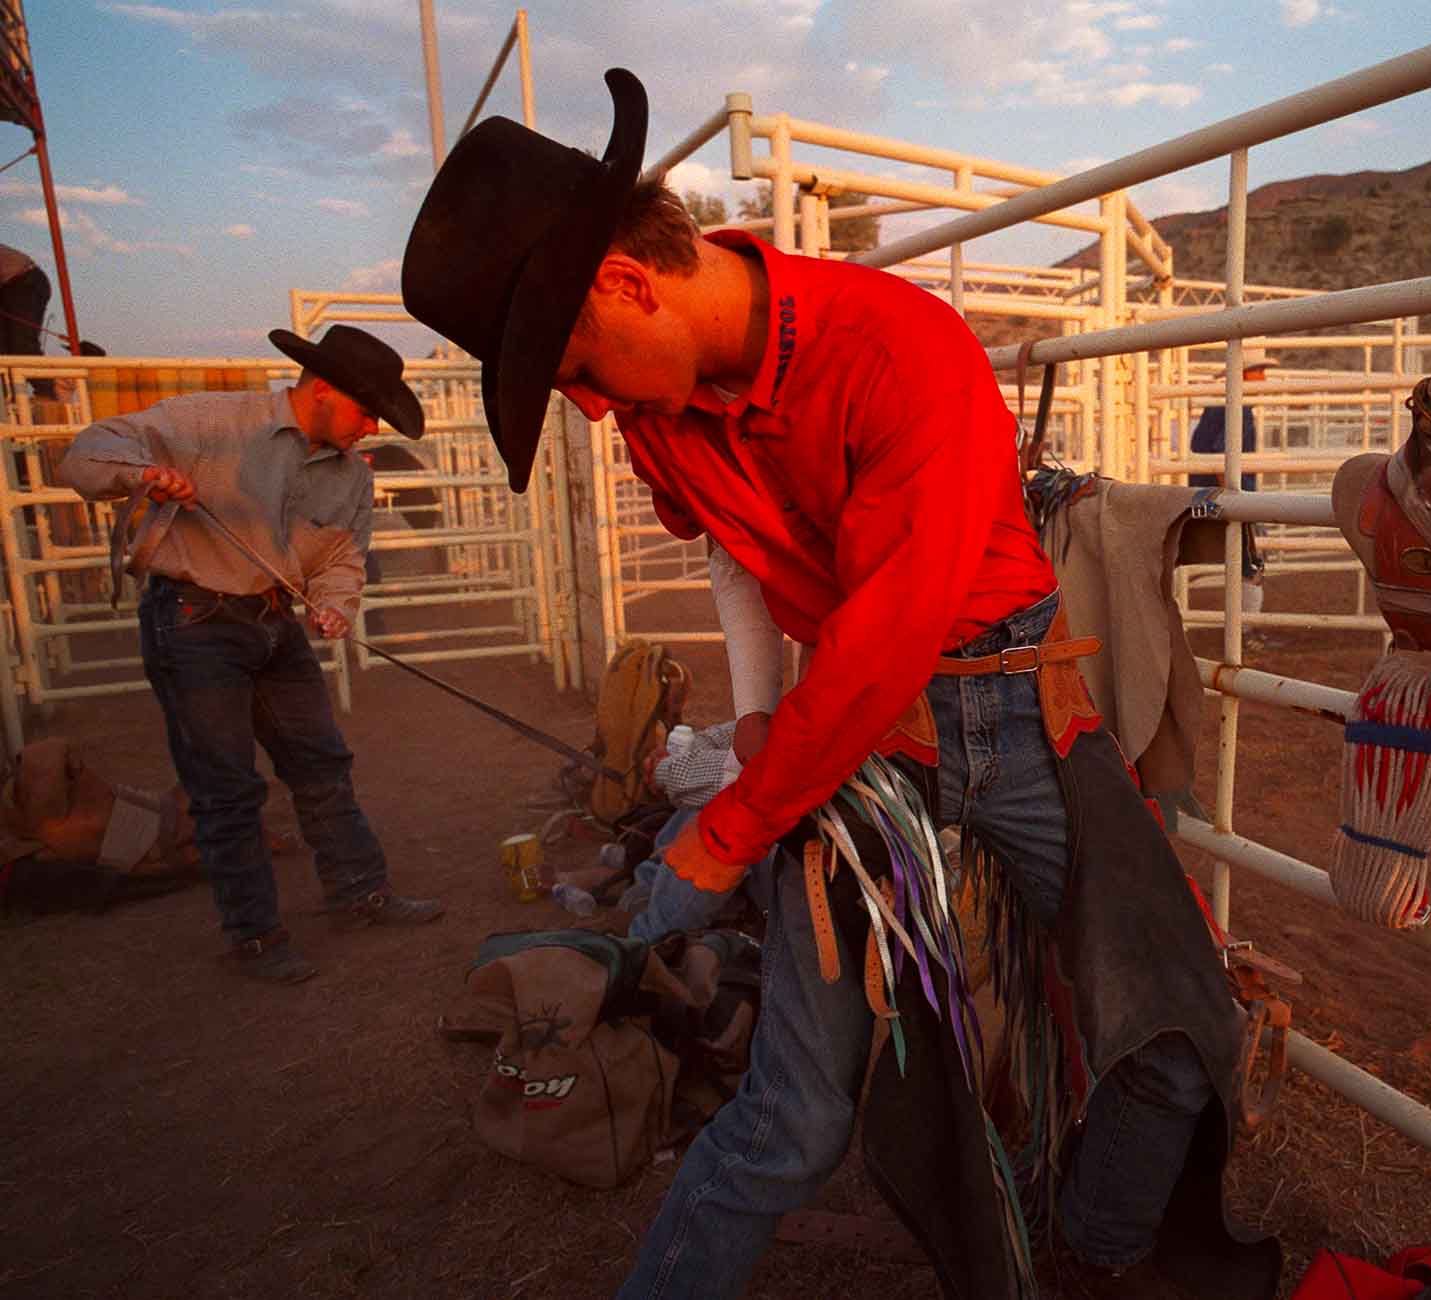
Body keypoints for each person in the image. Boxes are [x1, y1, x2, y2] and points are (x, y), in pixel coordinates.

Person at [401, 69, 1275, 1300]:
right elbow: (738, 558)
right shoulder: (663, 408)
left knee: (1178, 1030)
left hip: (1010, 704)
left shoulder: (899, 350)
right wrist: (760, 722)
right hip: (855, 736)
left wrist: (728, 833)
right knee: (792, 1117)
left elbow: (885, 639)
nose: (592, 413)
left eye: (580, 370)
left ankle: (1088, 1253)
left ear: (625, 283)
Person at [55, 325, 444, 984]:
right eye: (366, 408)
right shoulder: (209, 421)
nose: (373, 426)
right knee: (227, 789)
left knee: (321, 762)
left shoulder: (348, 478)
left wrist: (334, 605)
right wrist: (144, 474)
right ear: (322, 390)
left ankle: (360, 892)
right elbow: (88, 451)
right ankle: (256, 936)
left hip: (273, 620)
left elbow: (346, 555)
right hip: (194, 620)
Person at [1186, 348, 1271, 618]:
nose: (1265, 379)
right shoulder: (1237, 408)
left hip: (1208, 495)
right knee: (1251, 558)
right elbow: (1223, 453)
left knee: (1243, 557)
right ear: (1244, 375)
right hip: (1228, 496)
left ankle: (1244, 625)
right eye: (1260, 372)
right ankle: (1246, 628)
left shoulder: (1219, 404)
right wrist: (1235, 497)